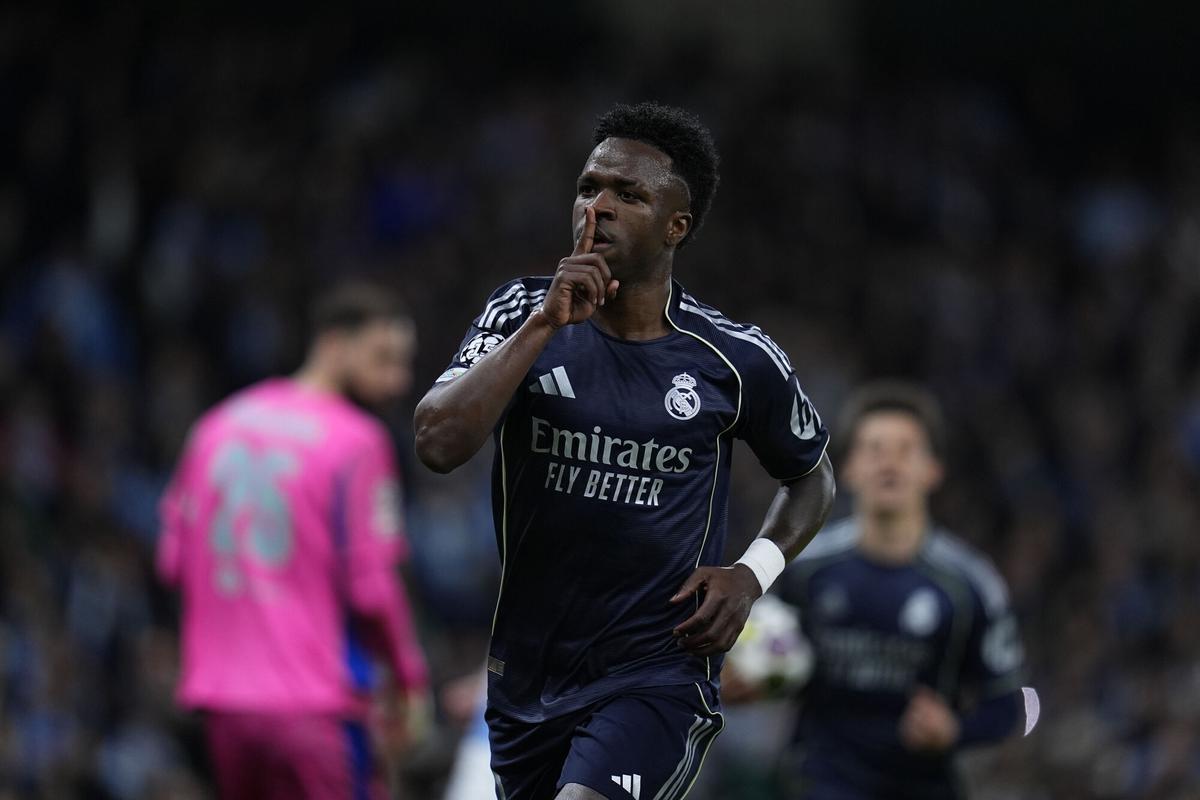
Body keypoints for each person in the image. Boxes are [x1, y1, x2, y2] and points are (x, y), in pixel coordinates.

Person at [413, 102, 836, 800]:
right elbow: (437, 442)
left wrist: (750, 574)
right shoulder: (520, 313)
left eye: (628, 195)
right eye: (589, 188)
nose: (599, 207)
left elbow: (812, 478)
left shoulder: (733, 359)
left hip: (656, 675)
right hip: (528, 678)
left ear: (678, 226)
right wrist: (546, 324)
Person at [157, 283, 429, 800]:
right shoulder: (357, 441)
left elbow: (172, 561)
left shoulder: (217, 426)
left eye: (403, 362)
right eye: (383, 358)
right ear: (333, 343)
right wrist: (408, 680)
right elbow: (372, 591)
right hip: (316, 705)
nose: (398, 380)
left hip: (223, 707)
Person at [771, 381, 1027, 799]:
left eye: (906, 450)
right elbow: (768, 660)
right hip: (823, 779)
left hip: (924, 785)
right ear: (848, 468)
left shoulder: (970, 584)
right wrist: (746, 683)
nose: (889, 463)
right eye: (874, 449)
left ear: (933, 469)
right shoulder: (805, 570)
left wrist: (956, 730)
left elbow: (1018, 704)